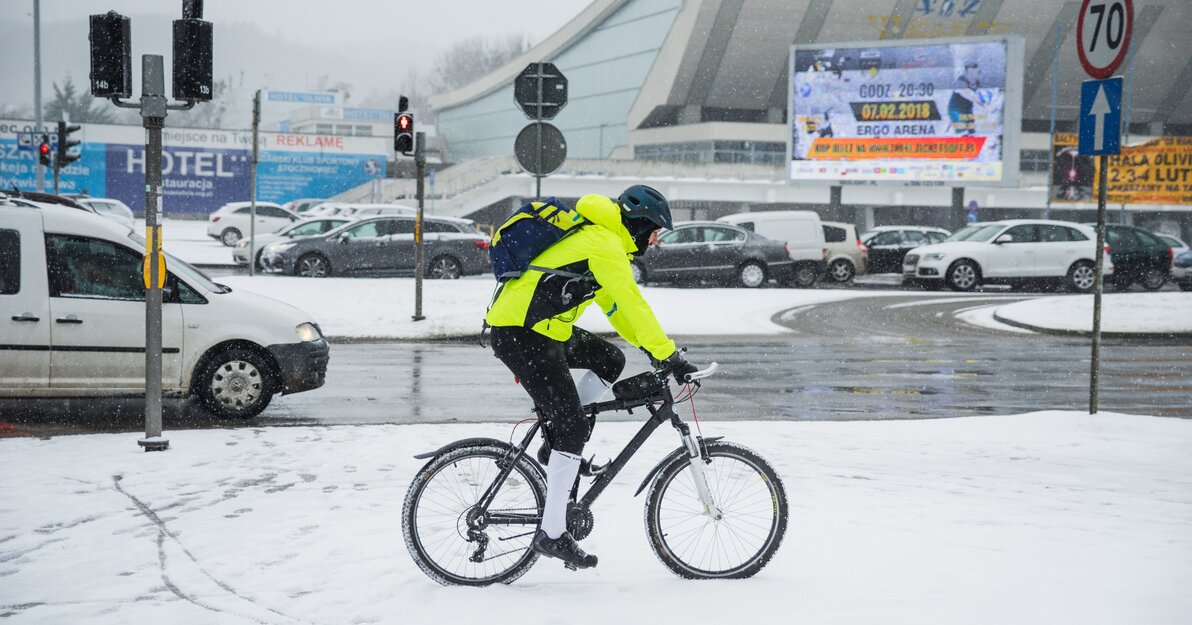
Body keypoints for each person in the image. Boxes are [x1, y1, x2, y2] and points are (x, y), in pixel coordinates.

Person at [484, 185, 698, 571]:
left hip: (540, 330)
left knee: (608, 358)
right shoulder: (604, 242)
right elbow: (633, 301)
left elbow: (617, 309)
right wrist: (668, 354)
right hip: (522, 333)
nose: (654, 240)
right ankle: (551, 533)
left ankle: (558, 440)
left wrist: (651, 349)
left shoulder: (602, 238)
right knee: (573, 427)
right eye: (654, 231)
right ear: (639, 223)